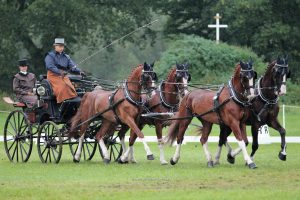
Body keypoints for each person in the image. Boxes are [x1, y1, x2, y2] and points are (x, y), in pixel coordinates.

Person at [44, 38, 85, 103]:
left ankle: (71, 102)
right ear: (55, 46)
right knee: (63, 87)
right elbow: (50, 66)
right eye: (60, 46)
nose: (61, 48)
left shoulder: (66, 57)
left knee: (70, 87)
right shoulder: (50, 56)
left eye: (62, 46)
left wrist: (79, 71)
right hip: (53, 76)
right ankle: (62, 102)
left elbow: (73, 67)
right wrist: (60, 72)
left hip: (64, 76)